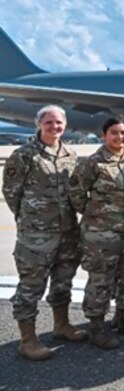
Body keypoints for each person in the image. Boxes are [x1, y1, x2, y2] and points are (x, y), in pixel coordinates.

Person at [3, 106, 88, 360]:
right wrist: (29, 219)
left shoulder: (70, 154)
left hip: (67, 231)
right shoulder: (24, 155)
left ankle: (61, 326)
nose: (54, 127)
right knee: (31, 286)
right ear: (39, 125)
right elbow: (11, 192)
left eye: (59, 122)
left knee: (63, 281)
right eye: (49, 122)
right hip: (36, 235)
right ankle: (28, 340)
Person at [69, 117, 124, 349]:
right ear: (104, 135)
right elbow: (76, 192)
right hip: (101, 234)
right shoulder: (92, 163)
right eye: (114, 133)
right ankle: (96, 327)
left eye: (123, 133)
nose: (120, 137)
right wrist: (94, 215)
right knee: (100, 279)